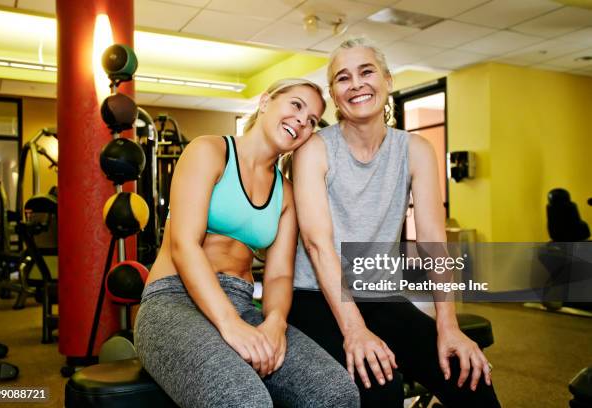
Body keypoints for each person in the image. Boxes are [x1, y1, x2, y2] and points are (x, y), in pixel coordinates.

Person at [287, 38, 501, 407]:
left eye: (366, 71)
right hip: (315, 297)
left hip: (381, 294)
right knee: (379, 387)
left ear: (387, 80)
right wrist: (354, 330)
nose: (356, 83)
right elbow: (317, 244)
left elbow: (433, 239)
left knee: (472, 378)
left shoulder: (415, 150)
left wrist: (447, 325)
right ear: (335, 96)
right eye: (343, 78)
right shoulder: (314, 150)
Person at [134, 78, 360, 408]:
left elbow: (280, 275)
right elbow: (185, 245)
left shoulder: (286, 193)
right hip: (173, 298)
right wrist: (229, 325)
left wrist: (274, 323)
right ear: (266, 101)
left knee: (335, 391)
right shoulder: (208, 151)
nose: (302, 120)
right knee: (244, 401)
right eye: (296, 105)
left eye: (312, 120)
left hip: (241, 303)